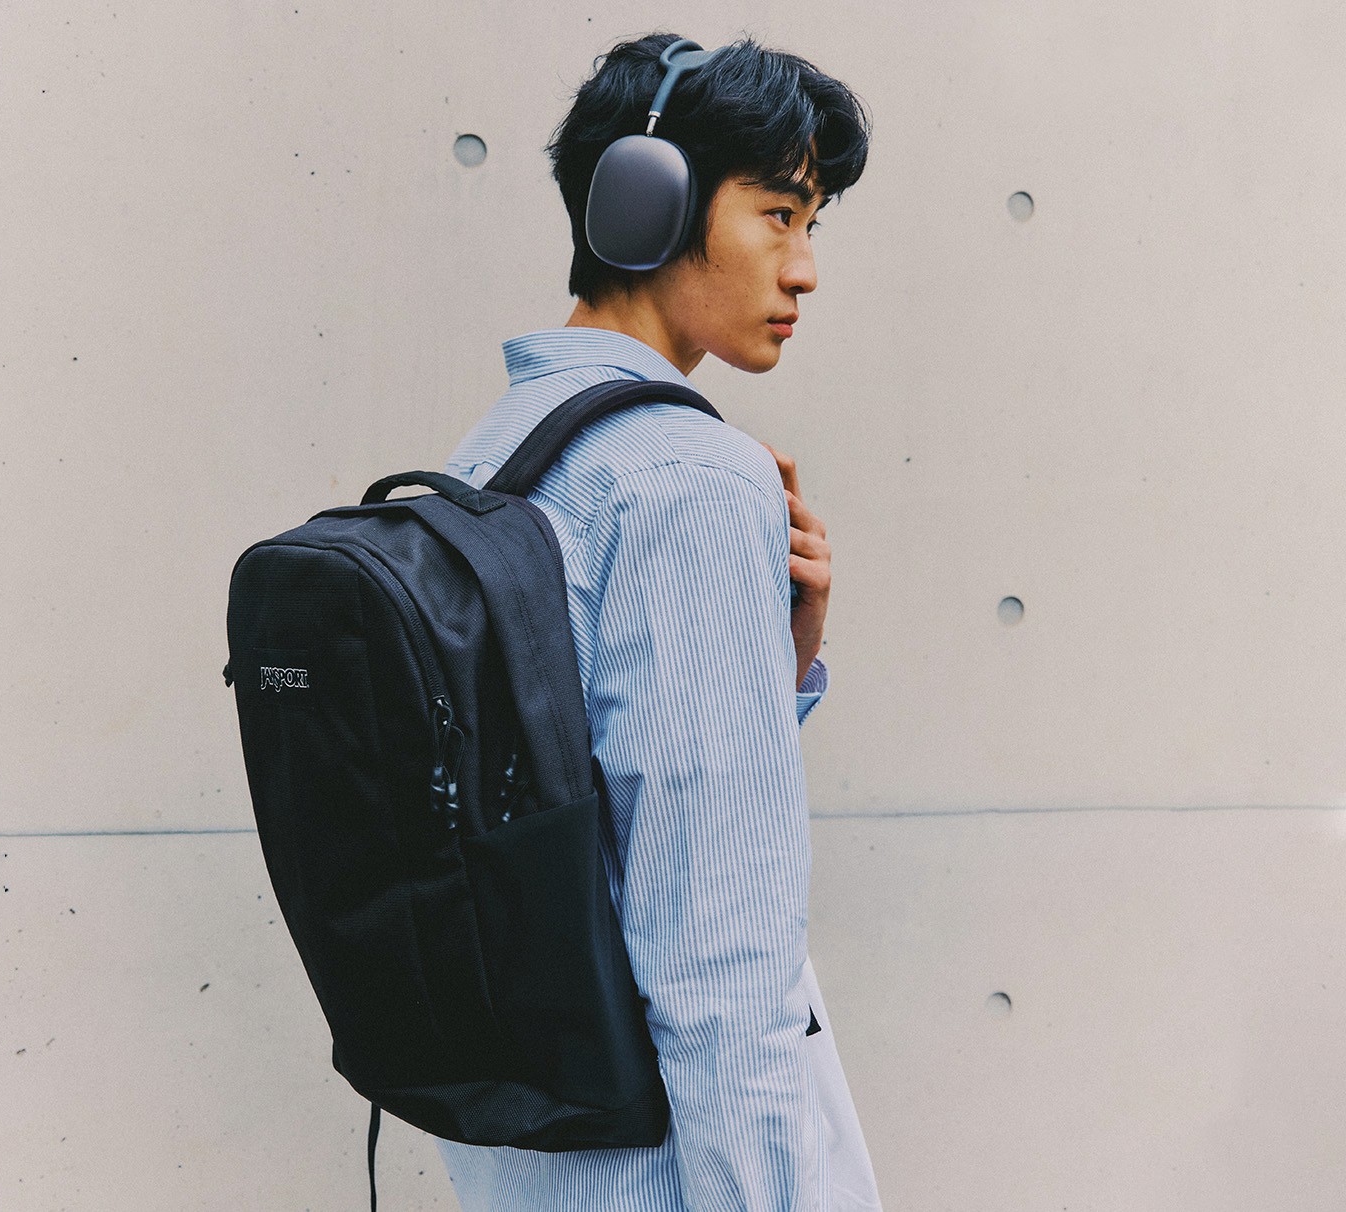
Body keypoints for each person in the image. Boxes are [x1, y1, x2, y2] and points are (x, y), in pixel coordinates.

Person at [436, 32, 880, 1210]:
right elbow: (718, 955)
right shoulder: (687, 478)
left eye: (813, 225)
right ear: (651, 202)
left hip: (527, 1164)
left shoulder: (491, 458)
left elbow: (583, 809)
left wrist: (778, 664)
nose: (805, 269)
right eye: (778, 214)